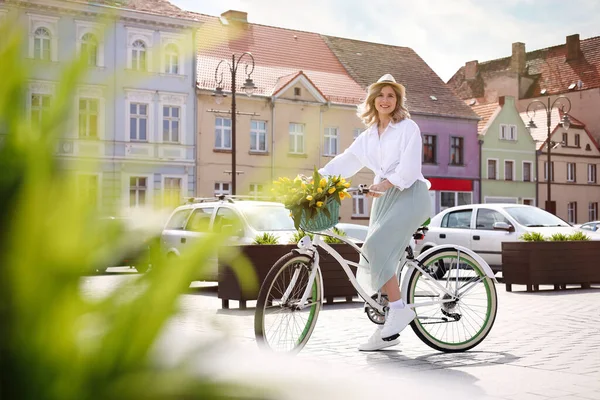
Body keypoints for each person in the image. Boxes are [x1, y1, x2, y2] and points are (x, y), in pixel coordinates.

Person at [318, 74, 431, 351]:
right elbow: (348, 160)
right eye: (380, 95)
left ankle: (399, 308)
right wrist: (317, 179)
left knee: (376, 246)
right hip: (382, 199)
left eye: (391, 95)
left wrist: (385, 182)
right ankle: (387, 329)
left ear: (397, 101)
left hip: (409, 194)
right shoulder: (367, 137)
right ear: (372, 100)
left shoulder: (408, 128)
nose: (385, 100)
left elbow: (410, 167)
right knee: (374, 255)